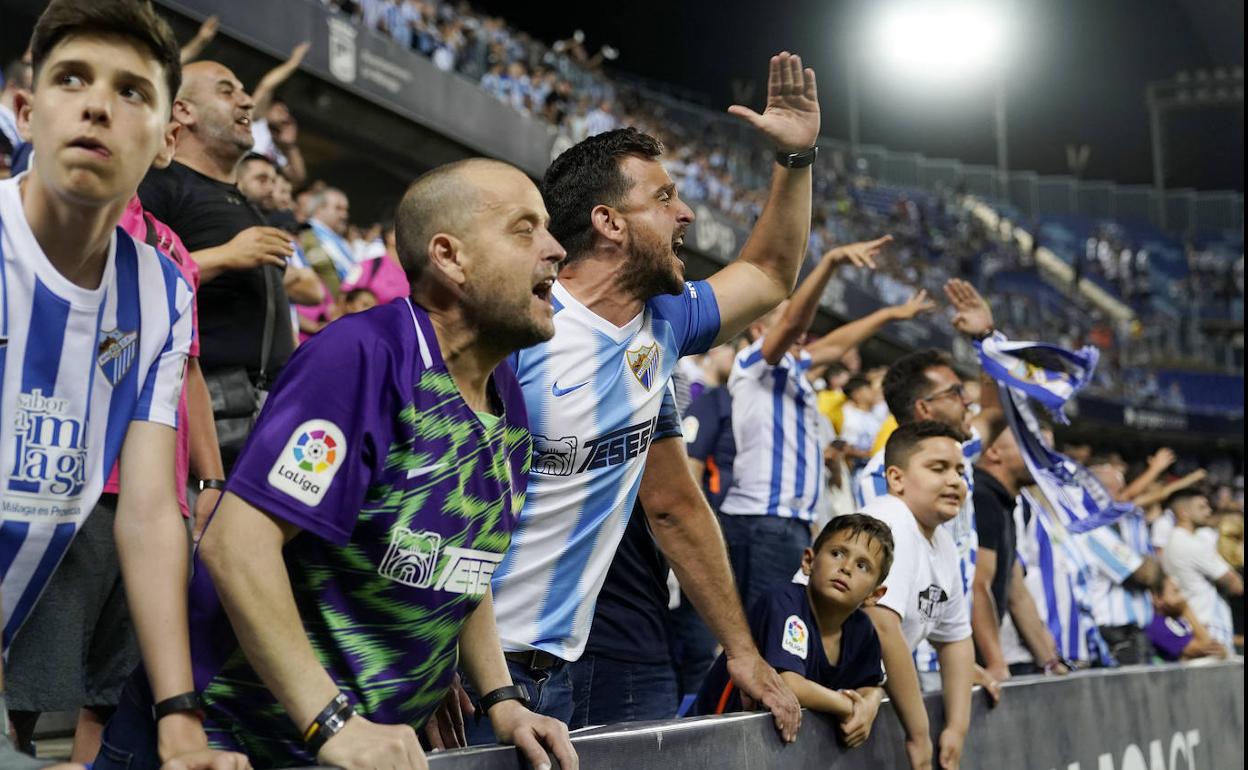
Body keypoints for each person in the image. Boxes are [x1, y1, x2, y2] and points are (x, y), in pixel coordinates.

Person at [96, 158, 576, 770]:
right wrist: (332, 721)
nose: (556, 250)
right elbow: (237, 547)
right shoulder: (363, 358)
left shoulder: (502, 390)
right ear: (451, 258)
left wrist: (501, 698)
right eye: (524, 229)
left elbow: (462, 563)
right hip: (228, 742)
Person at [485, 53, 822, 743]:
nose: (688, 214)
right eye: (665, 198)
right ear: (608, 222)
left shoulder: (660, 324)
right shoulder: (513, 331)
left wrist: (795, 159)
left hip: (557, 669)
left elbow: (767, 271)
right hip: (473, 667)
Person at [0, 2, 246, 769]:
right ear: (24, 109)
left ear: (165, 137)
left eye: (132, 90)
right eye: (72, 78)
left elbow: (145, 509)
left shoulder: (164, 290)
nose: (99, 104)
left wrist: (178, 714)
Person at [720, 240, 934, 608]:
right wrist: (831, 263)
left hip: (791, 522)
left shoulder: (793, 369)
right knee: (760, 632)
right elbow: (792, 323)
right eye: (789, 322)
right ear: (758, 329)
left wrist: (889, 316)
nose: (802, 333)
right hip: (763, 519)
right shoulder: (753, 361)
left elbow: (835, 346)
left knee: (780, 631)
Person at [136, 58, 318, 468]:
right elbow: (133, 280)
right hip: (207, 407)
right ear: (183, 110)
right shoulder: (160, 183)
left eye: (244, 90)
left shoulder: (243, 202)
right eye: (227, 90)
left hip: (269, 406)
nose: (247, 102)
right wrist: (227, 256)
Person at [694, 514, 891, 747]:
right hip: (714, 740)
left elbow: (871, 685)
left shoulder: (862, 629)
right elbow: (789, 685)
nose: (846, 568)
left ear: (874, 595)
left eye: (862, 565)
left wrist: (869, 705)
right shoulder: (784, 601)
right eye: (837, 553)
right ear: (808, 561)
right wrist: (851, 706)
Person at [862, 422, 976, 770]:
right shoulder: (889, 520)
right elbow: (881, 627)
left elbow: (956, 640)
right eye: (938, 468)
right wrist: (919, 734)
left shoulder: (942, 543)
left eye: (959, 470)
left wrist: (957, 728)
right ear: (896, 479)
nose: (955, 480)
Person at [1079, 457, 1164, 665]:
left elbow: (1155, 571)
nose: (1123, 495)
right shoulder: (1092, 527)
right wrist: (1149, 564)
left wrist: (1150, 565)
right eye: (1116, 490)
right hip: (1113, 635)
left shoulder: (1129, 523)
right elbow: (1145, 574)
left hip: (1137, 632)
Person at [970, 429, 1033, 682]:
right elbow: (978, 585)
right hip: (967, 661)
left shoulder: (1003, 502)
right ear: (994, 452)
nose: (1036, 456)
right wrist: (996, 661)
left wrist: (1050, 660)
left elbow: (1016, 591)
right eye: (1025, 446)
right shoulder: (982, 497)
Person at [1160, 488, 1244, 650]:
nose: (1209, 511)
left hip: (1193, 626)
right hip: (1209, 629)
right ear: (1184, 513)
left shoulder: (1173, 541)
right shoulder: (1192, 544)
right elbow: (1236, 585)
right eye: (1202, 507)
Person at [1146, 577, 1227, 662]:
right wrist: (1186, 609)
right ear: (1158, 598)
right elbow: (1205, 646)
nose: (1182, 597)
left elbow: (1213, 647)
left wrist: (1222, 651)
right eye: (1175, 592)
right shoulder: (1156, 625)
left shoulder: (1176, 619)